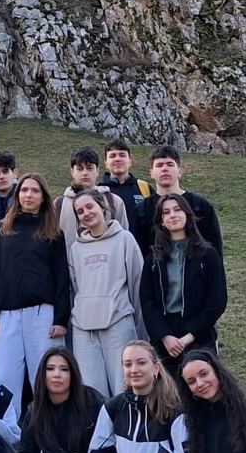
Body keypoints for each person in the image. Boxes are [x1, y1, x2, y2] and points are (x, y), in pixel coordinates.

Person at [0, 173, 69, 425]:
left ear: (43, 197)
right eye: (24, 190)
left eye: (35, 191)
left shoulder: (53, 233)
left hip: (43, 316)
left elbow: (62, 277)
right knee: (4, 379)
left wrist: (61, 319)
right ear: (17, 195)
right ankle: (5, 436)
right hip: (7, 317)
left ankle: (51, 435)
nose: (29, 195)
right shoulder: (0, 231)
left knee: (47, 377)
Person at [63, 187, 146, 401]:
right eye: (80, 211)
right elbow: (75, 288)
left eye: (90, 206)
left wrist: (141, 329)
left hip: (118, 322)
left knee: (123, 387)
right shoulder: (75, 249)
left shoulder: (124, 239)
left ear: (102, 207)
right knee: (91, 393)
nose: (86, 213)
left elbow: (137, 284)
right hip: (83, 329)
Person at [140, 192, 228, 369]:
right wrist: (165, 336)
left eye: (177, 210)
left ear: (187, 215)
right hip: (165, 339)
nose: (172, 215)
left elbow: (217, 300)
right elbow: (147, 301)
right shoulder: (153, 258)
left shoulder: (207, 254)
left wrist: (190, 336)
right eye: (166, 212)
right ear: (161, 221)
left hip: (199, 336)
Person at [149, 146, 223, 255]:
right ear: (151, 173)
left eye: (170, 164)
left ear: (180, 171)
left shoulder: (200, 205)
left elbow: (215, 245)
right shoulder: (142, 209)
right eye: (159, 165)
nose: (164, 169)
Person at [56, 146, 130, 240]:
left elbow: (124, 237)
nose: (85, 173)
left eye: (89, 168)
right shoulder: (59, 204)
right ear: (72, 171)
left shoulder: (114, 201)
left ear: (97, 171)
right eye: (80, 168)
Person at [99, 139, 156, 242]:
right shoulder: (99, 192)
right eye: (112, 156)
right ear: (106, 163)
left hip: (142, 248)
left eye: (122, 155)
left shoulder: (144, 188)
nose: (117, 159)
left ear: (130, 162)